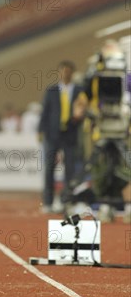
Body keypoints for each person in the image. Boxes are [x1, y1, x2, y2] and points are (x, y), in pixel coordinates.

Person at [37, 60, 85, 214]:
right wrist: (40, 130)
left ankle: (67, 201)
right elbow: (45, 111)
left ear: (72, 73)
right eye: (63, 71)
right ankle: (48, 202)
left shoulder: (79, 91)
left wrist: (79, 120)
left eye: (69, 71)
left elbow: (83, 111)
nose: (66, 74)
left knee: (70, 170)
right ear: (59, 73)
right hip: (52, 134)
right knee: (49, 168)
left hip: (70, 133)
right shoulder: (51, 91)